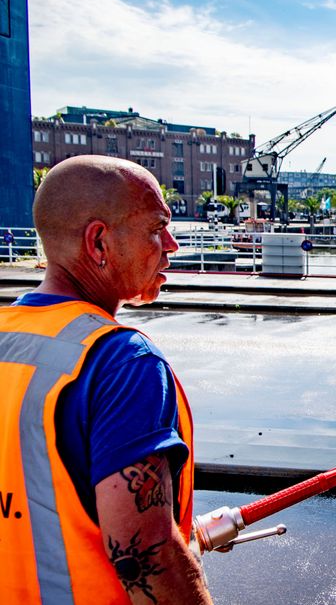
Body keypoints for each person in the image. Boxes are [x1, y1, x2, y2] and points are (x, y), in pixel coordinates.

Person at [0, 156, 213, 604]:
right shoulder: (120, 361)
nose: (171, 244)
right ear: (98, 242)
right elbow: (147, 556)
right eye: (156, 228)